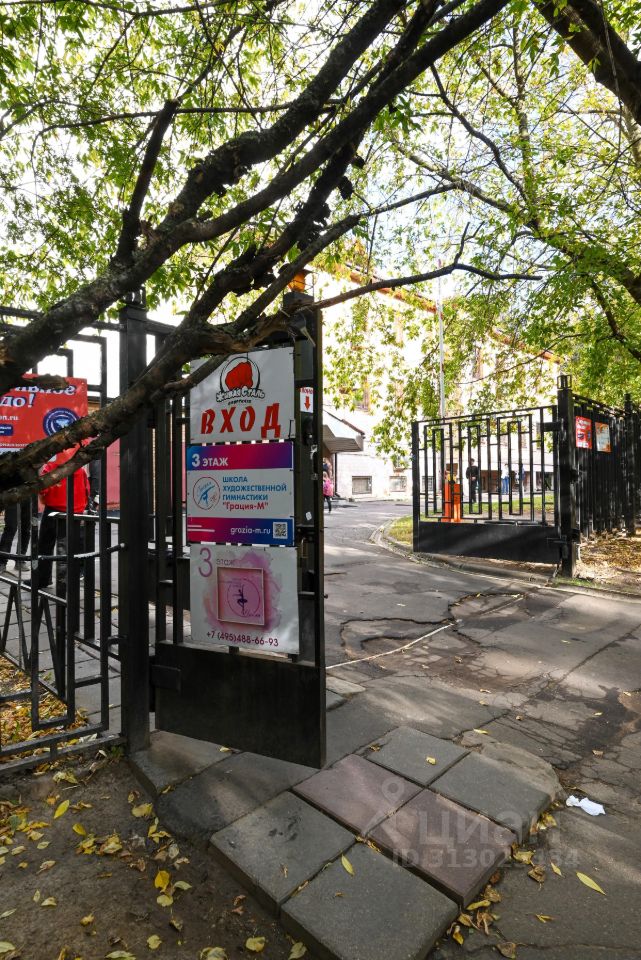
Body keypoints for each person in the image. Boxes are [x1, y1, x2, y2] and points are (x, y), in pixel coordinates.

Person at [29, 449, 89, 589]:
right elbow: (86, 489)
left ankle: (43, 579)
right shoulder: (79, 468)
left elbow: (43, 488)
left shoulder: (52, 466)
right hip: (76, 511)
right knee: (70, 547)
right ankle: (67, 582)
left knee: (45, 545)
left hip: (54, 510)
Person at [0, 502, 31, 573]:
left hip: (28, 498)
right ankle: (2, 562)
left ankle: (20, 560)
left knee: (26, 529)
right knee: (10, 528)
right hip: (13, 498)